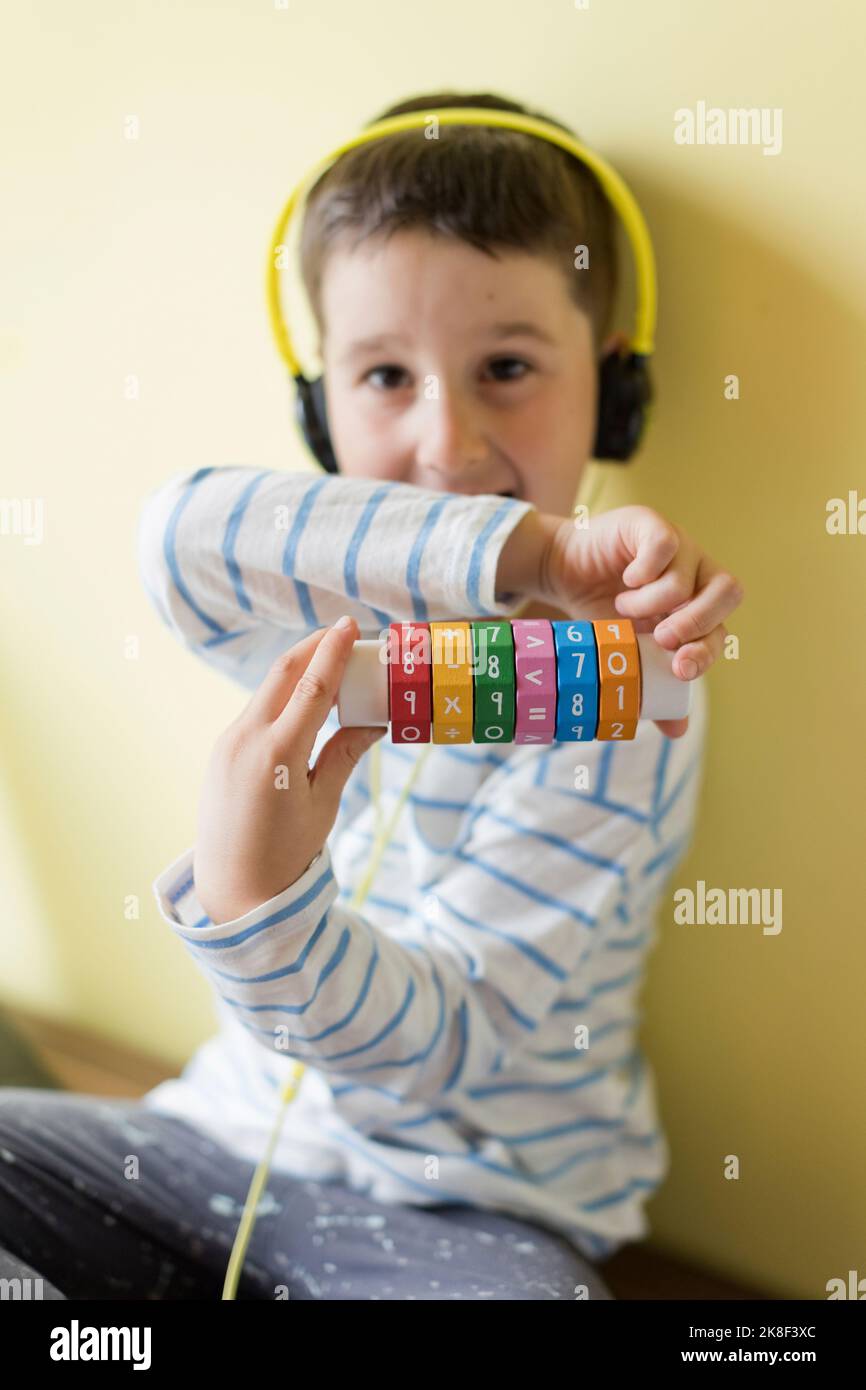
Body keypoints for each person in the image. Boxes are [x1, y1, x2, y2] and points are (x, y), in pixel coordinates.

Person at [0, 90, 743, 1300]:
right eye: (383, 375)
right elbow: (176, 532)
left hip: (467, 1212)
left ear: (612, 392)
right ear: (316, 406)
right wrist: (526, 553)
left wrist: (261, 908)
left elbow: (434, 1047)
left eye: (505, 366)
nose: (444, 445)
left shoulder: (625, 681)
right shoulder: (309, 594)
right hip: (212, 1146)